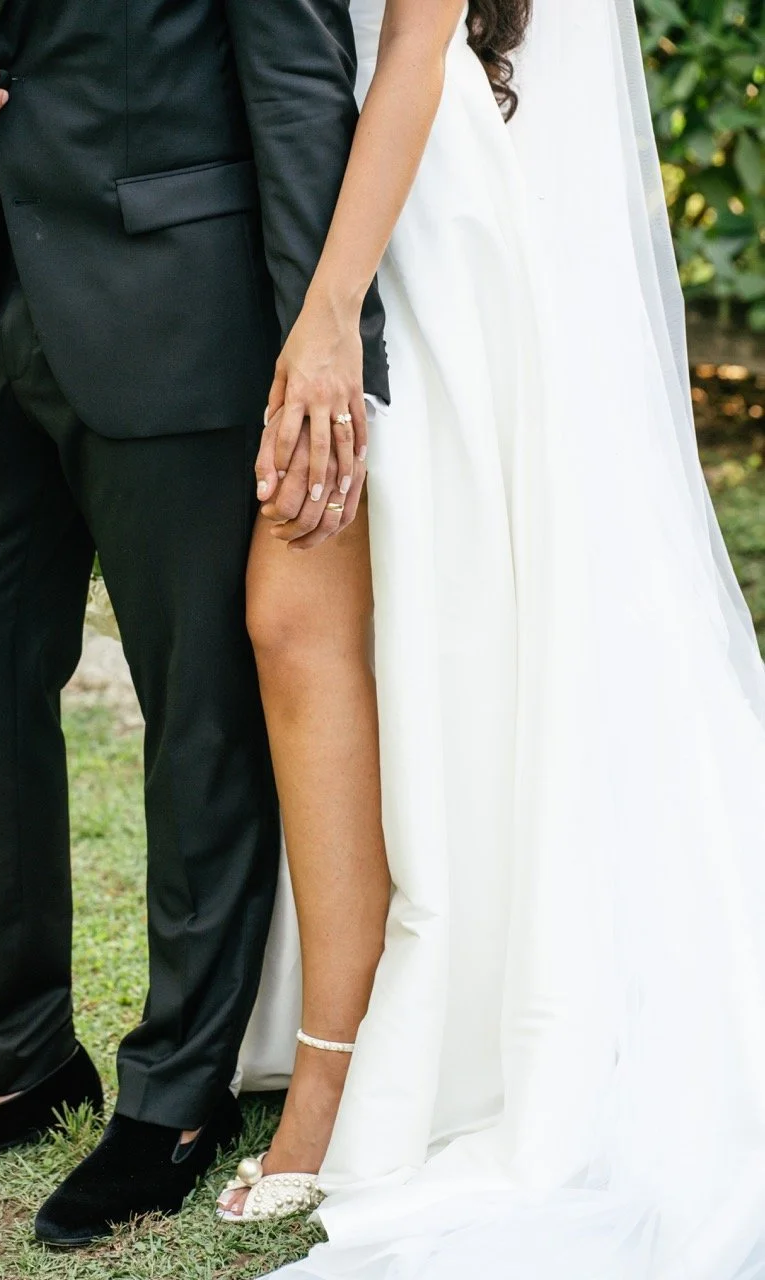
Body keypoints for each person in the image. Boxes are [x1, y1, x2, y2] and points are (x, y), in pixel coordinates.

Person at [222, 0, 765, 1276]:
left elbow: (417, 36)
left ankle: (420, 1044)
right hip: (317, 168)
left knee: (434, 617)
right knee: (369, 617)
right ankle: (347, 1029)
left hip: (403, 201)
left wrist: (328, 314)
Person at [0, 0, 388, 1249]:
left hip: (176, 301)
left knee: (201, 700)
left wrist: (328, 337)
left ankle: (176, 1090)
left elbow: (293, 74)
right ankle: (11, 1050)